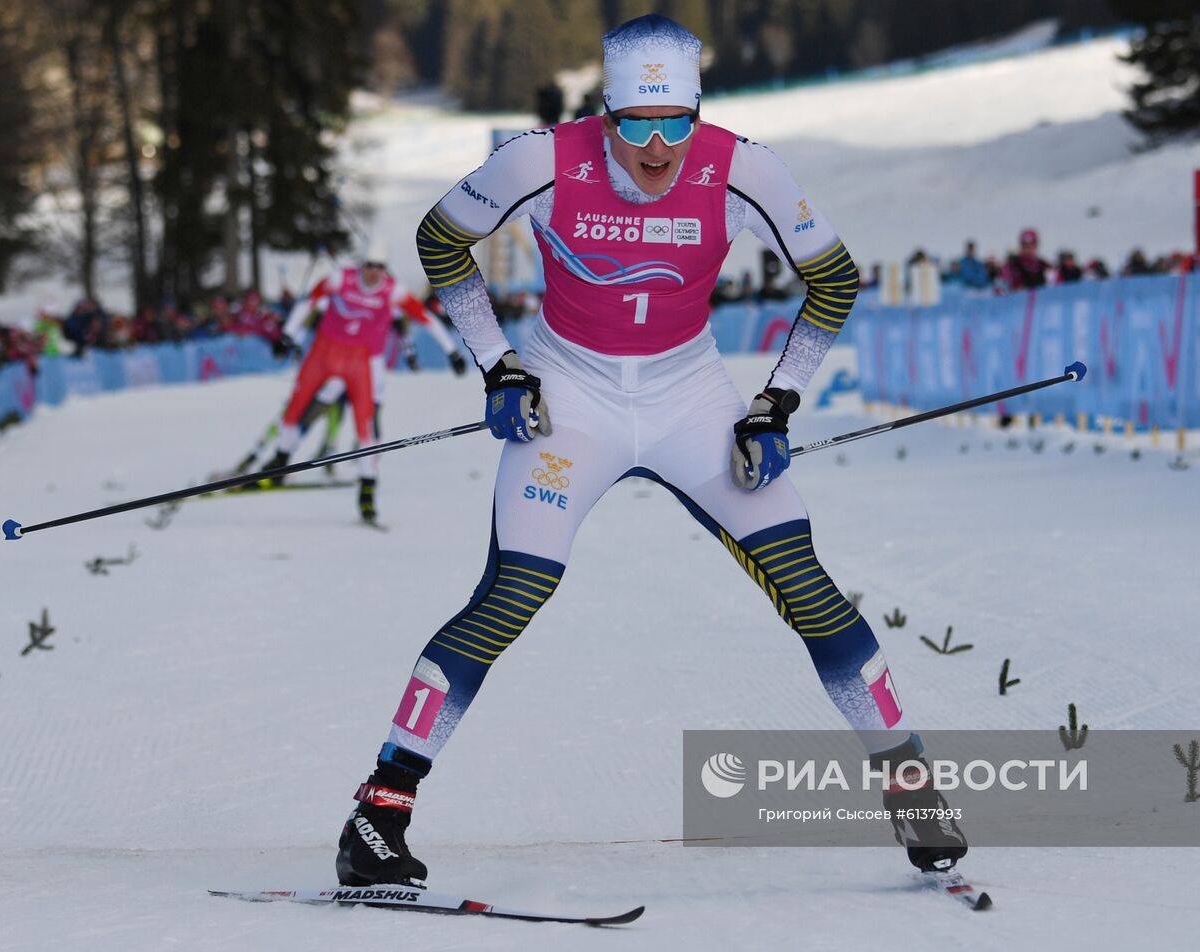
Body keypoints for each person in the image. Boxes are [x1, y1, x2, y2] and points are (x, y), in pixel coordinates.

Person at [333, 13, 968, 890]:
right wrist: (499, 367)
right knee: (514, 592)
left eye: (678, 123)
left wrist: (774, 404)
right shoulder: (538, 160)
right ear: (607, 112)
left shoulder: (744, 168)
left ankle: (915, 794)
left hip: (690, 401)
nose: (659, 147)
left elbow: (837, 277)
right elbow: (441, 241)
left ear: (699, 111)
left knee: (809, 590)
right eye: (636, 124)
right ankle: (377, 813)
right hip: (571, 401)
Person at [260, 242, 466, 523]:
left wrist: (452, 352)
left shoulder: (393, 291)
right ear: (361, 265)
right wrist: (287, 336)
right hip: (325, 354)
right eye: (368, 265)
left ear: (385, 269)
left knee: (366, 425)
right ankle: (281, 460)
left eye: (378, 267)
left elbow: (425, 318)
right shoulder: (339, 280)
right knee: (298, 408)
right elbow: (308, 303)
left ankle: (367, 489)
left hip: (364, 363)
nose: (372, 272)